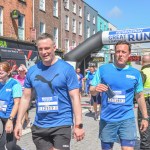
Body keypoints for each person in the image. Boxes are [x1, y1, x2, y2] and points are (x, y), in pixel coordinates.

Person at [14, 33, 85, 150]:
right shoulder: (32, 71)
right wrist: (18, 123)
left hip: (61, 123)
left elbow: (75, 98)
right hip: (40, 126)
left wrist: (78, 124)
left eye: (47, 48)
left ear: (54, 48)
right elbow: (26, 98)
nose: (44, 52)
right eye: (40, 49)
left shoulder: (67, 69)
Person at [90, 40, 149, 150]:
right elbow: (92, 90)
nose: (120, 54)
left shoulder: (135, 73)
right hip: (107, 119)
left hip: (127, 119)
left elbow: (140, 96)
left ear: (129, 54)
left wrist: (145, 118)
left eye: (123, 52)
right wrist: (96, 89)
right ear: (114, 53)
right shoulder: (103, 69)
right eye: (118, 52)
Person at [0, 62, 22, 150]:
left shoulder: (14, 84)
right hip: (1, 117)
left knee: (10, 146)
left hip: (11, 117)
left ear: (8, 72)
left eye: (1, 73)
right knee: (1, 146)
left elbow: (17, 103)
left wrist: (10, 120)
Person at [13, 64, 32, 128]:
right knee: (22, 109)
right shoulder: (15, 77)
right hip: (18, 95)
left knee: (24, 109)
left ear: (24, 71)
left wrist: (26, 69)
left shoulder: (27, 77)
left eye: (21, 71)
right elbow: (8, 76)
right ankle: (26, 121)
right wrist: (12, 70)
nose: (20, 72)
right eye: (19, 71)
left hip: (26, 96)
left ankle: (21, 123)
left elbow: (32, 76)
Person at [138, 54, 150, 150]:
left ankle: (145, 147)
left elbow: (138, 90)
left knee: (144, 126)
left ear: (142, 62)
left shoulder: (142, 73)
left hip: (145, 103)